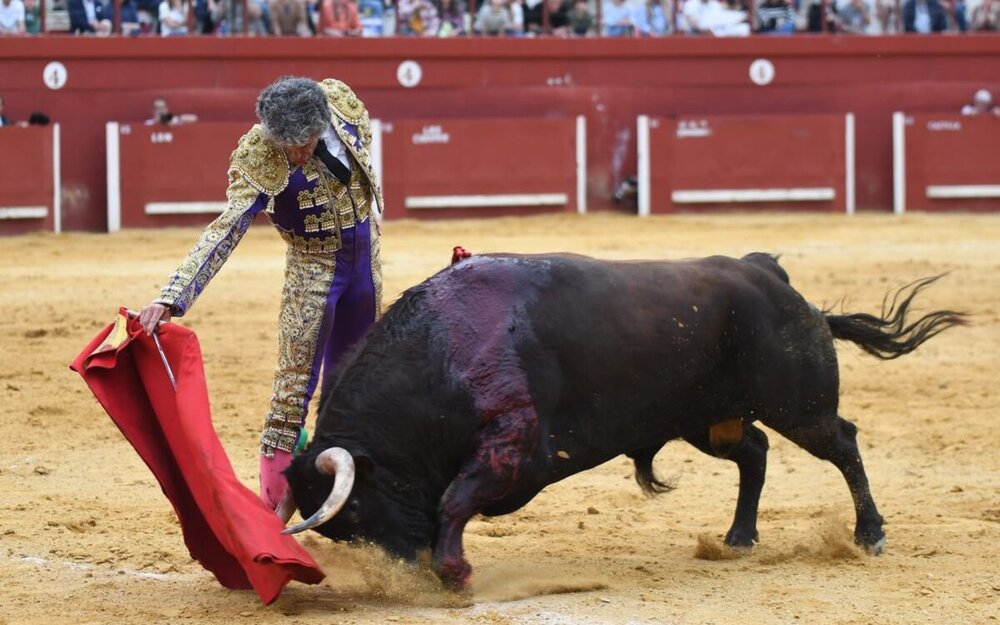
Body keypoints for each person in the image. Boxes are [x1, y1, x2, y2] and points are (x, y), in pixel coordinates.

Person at [139, 77, 384, 510]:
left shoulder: (343, 103)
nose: (295, 154)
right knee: (292, 390)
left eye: (303, 144)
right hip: (313, 267)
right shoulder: (258, 152)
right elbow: (227, 228)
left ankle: (353, 495)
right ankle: (273, 513)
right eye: (286, 146)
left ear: (320, 124)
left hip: (366, 263)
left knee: (358, 381)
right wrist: (172, 296)